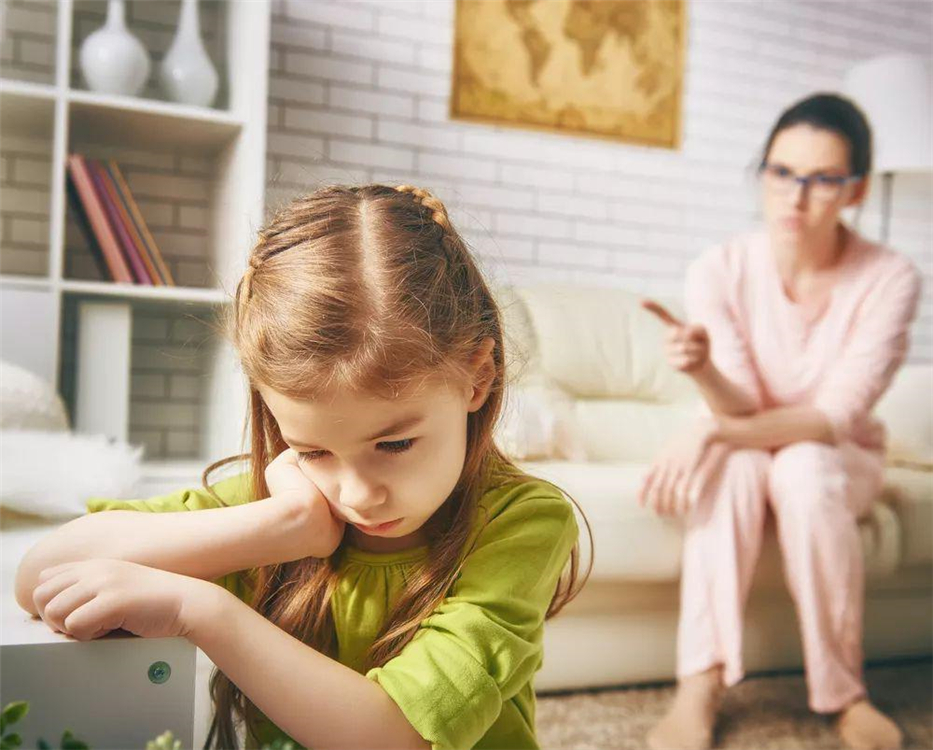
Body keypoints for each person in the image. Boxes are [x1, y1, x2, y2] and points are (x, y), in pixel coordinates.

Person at [14, 184, 590, 750]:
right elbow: (39, 575)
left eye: (394, 445)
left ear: (478, 376)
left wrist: (201, 610)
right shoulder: (282, 504)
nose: (357, 495)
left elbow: (396, 737)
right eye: (314, 452)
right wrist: (286, 524)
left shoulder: (524, 522)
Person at [640, 93, 921, 750]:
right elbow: (736, 408)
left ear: (852, 191)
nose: (796, 196)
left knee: (800, 465)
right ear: (762, 174)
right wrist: (704, 375)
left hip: (836, 456)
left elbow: (832, 419)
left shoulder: (890, 277)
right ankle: (699, 689)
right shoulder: (719, 268)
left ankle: (842, 694)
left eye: (822, 179)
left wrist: (709, 429)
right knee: (739, 467)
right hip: (749, 446)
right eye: (781, 172)